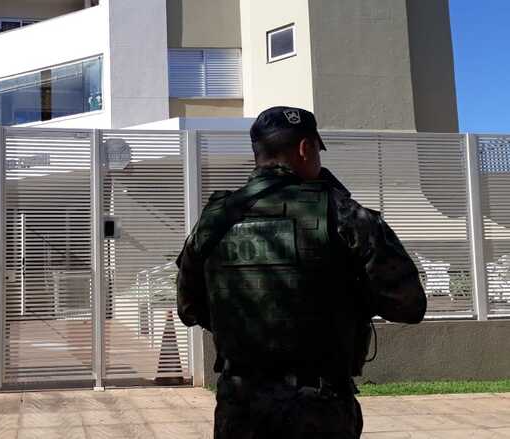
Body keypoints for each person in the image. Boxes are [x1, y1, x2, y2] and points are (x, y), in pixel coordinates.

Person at [176, 106, 427, 438]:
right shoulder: (342, 213)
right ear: (306, 148)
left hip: (240, 406)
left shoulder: (216, 219)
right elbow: (409, 304)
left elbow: (189, 308)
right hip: (319, 407)